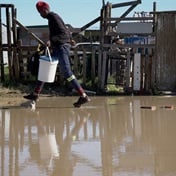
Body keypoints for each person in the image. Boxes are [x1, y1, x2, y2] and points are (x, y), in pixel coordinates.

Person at [23, 1, 90, 108]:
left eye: (40, 13)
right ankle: (35, 94)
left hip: (62, 47)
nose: (40, 15)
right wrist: (68, 39)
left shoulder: (53, 17)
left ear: (45, 10)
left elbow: (62, 33)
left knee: (67, 73)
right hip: (58, 47)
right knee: (45, 68)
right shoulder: (53, 18)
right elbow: (65, 30)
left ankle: (83, 95)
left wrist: (52, 41)